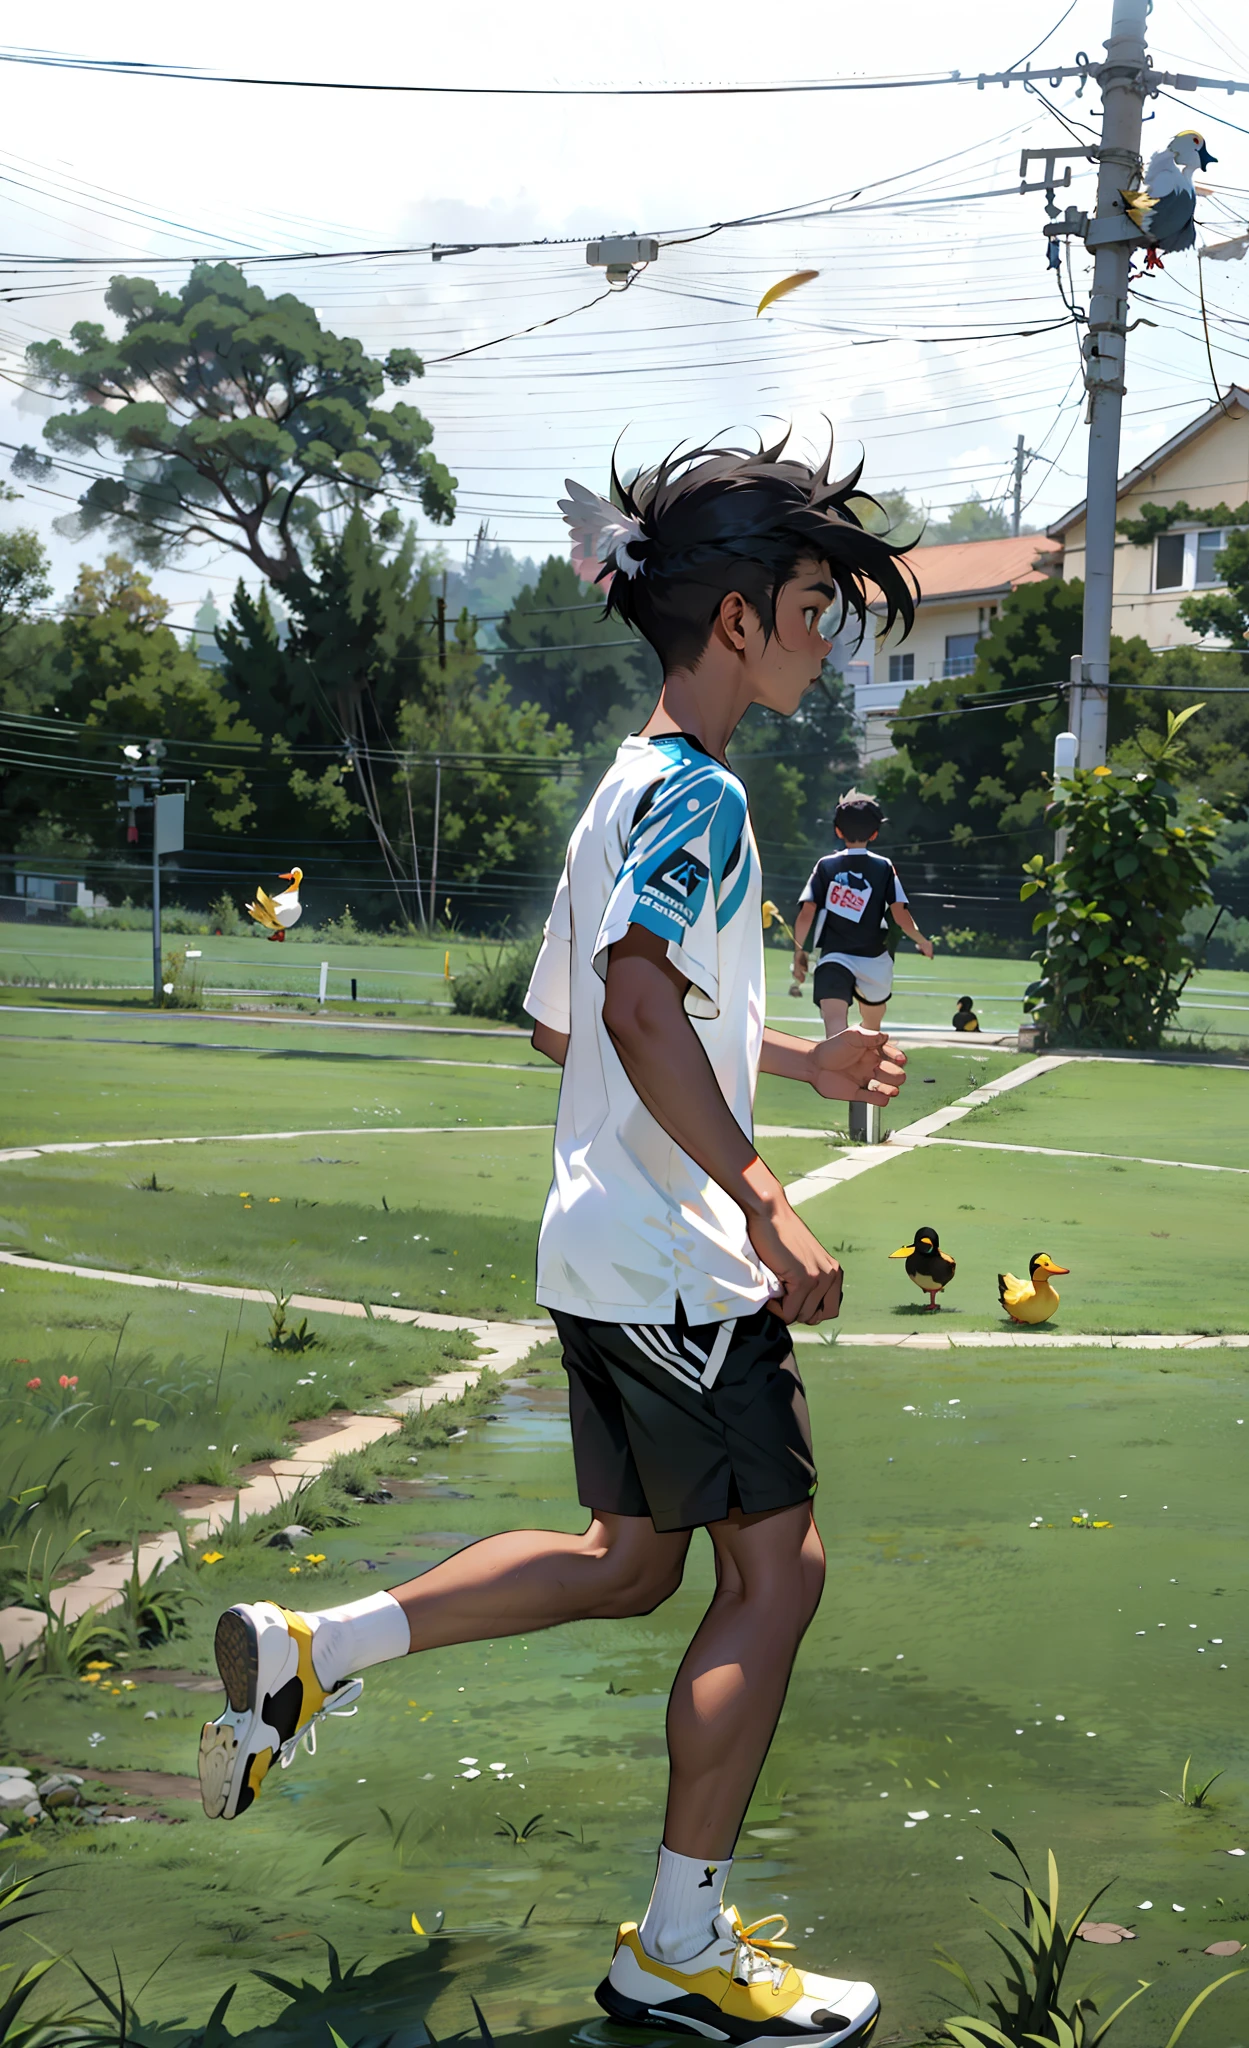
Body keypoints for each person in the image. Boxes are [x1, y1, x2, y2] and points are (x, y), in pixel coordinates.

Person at [196, 437, 919, 2048]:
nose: (826, 636)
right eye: (812, 605)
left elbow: (568, 1028)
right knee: (776, 1576)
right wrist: (771, 1194)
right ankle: (680, 1946)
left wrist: (792, 1060)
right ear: (733, 620)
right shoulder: (704, 797)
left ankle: (320, 1649)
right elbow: (631, 1005)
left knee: (631, 1563)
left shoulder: (624, 789)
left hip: (603, 1255)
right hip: (675, 1262)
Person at [791, 792, 933, 1036]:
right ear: (875, 833)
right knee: (871, 1033)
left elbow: (807, 912)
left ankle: (839, 1070)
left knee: (835, 1031)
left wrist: (798, 952)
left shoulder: (826, 865)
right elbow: (900, 915)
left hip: (834, 958)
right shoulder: (884, 866)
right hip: (875, 962)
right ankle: (863, 1071)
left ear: (838, 831)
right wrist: (923, 942)